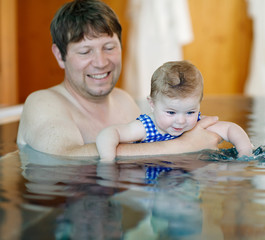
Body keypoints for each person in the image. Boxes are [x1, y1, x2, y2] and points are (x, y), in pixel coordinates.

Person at [16, 0, 220, 157]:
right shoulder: (42, 103)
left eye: (109, 48)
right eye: (85, 51)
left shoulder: (124, 101)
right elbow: (68, 157)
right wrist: (183, 146)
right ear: (60, 55)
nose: (100, 62)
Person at [96, 61, 253, 161]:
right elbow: (109, 133)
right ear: (152, 104)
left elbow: (231, 128)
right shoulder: (147, 127)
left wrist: (245, 151)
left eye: (190, 112)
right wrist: (107, 161)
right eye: (171, 113)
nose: (181, 121)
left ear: (199, 104)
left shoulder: (197, 124)